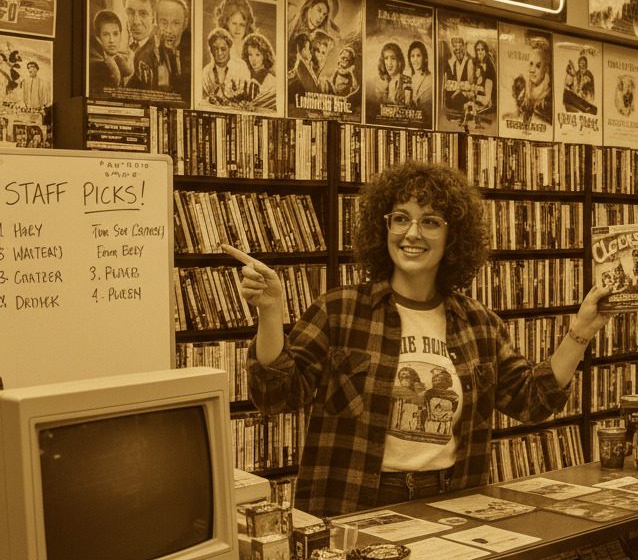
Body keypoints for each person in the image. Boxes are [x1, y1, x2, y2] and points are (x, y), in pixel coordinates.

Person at [239, 160, 611, 516]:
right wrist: (270, 312)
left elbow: (532, 401)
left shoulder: (478, 323)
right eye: (400, 219)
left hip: (453, 497)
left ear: (453, 237)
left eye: (430, 222)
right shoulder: (339, 311)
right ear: (382, 228)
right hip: (352, 501)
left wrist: (581, 331)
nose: (412, 233)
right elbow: (276, 396)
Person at [121, 0, 159, 84]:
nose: (136, 21)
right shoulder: (118, 45)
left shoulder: (158, 55)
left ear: (153, 18)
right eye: (130, 12)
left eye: (143, 14)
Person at [202, 27, 248, 105]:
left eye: (223, 49)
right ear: (211, 50)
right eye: (215, 49)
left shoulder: (241, 67)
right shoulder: (206, 72)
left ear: (229, 48)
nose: (219, 53)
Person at [88, 8, 132, 92]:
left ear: (120, 34)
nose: (112, 40)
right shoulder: (98, 66)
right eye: (106, 35)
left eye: (115, 34)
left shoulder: (120, 59)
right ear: (98, 37)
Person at [242, 31, 277, 110]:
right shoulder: (244, 75)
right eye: (250, 54)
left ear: (264, 56)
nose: (253, 59)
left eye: (257, 55)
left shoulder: (271, 80)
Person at [406, 40, 430, 108]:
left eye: (418, 56)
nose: (415, 59)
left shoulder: (430, 79)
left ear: (425, 58)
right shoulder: (410, 79)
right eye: (412, 56)